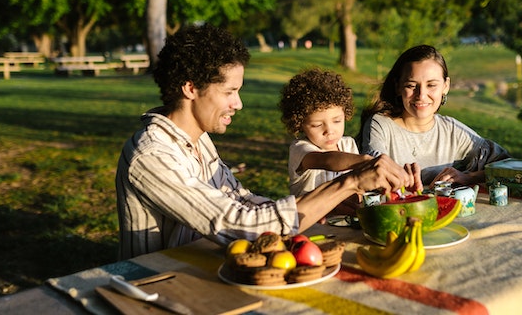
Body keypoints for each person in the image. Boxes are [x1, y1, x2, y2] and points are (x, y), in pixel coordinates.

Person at [115, 24, 412, 260]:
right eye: (230, 91)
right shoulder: (151, 155)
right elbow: (239, 225)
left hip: (201, 263)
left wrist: (321, 207)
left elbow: (240, 199)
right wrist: (348, 183)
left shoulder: (196, 139)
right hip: (159, 286)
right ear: (191, 88)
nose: (239, 104)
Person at [359, 44, 510, 188]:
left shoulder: (451, 131)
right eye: (411, 85)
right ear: (398, 87)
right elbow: (374, 170)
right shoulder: (380, 125)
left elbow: (507, 165)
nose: (421, 95)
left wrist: (468, 177)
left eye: (431, 85)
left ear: (446, 86)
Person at [279, 68, 374, 215]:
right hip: (308, 224)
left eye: (337, 121)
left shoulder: (348, 145)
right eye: (317, 125)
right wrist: (367, 162)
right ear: (299, 124)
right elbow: (326, 160)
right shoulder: (300, 149)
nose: (329, 131)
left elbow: (358, 189)